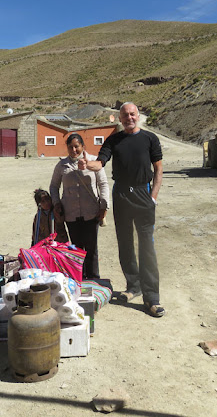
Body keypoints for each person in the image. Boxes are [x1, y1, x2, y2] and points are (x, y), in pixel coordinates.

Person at [80, 102, 165, 317]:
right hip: (121, 195)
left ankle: (152, 297)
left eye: (132, 114)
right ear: (120, 118)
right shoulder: (114, 140)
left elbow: (158, 169)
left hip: (143, 194)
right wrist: (86, 164)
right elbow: (100, 163)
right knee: (125, 243)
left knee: (146, 246)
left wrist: (152, 197)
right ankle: (133, 286)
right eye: (125, 115)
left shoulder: (150, 139)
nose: (129, 118)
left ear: (138, 115)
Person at [50, 133, 109, 279]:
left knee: (91, 248)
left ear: (83, 146)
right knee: (76, 249)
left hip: (91, 212)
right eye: (70, 147)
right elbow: (53, 186)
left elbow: (103, 184)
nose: (74, 150)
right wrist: (56, 203)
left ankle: (94, 278)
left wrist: (104, 206)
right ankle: (78, 278)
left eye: (77, 146)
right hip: (71, 213)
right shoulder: (61, 165)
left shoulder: (95, 162)